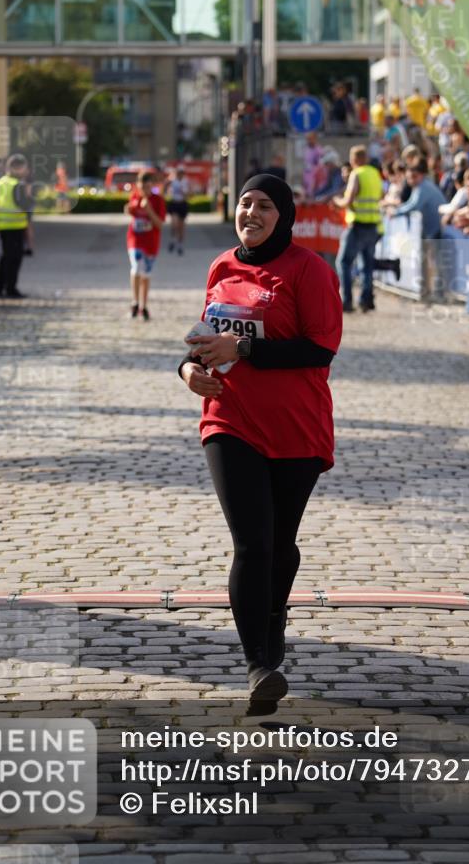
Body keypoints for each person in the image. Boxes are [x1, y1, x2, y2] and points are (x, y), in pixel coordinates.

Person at [178, 173, 343, 712]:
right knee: (252, 542)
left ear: (285, 216)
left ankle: (273, 620)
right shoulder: (221, 266)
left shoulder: (309, 270)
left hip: (296, 427)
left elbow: (320, 349)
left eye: (264, 205)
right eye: (244, 202)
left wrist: (243, 348)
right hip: (230, 419)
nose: (251, 212)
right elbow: (207, 339)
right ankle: (259, 666)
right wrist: (186, 368)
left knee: (279, 545)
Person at [334, 145, 384, 313]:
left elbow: (348, 200)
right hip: (373, 226)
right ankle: (366, 300)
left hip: (358, 225)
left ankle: (347, 301)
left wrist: (336, 202)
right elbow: (380, 197)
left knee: (343, 262)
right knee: (367, 265)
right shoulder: (375, 174)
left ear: (354, 159)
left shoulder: (357, 174)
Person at [390, 158, 444, 300]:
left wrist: (395, 212)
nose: (410, 180)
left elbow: (414, 205)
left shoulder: (423, 187)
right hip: (431, 228)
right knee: (429, 260)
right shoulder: (420, 186)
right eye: (408, 177)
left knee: (435, 261)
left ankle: (439, 292)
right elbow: (411, 204)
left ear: (421, 175)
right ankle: (428, 291)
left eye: (414, 177)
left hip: (436, 228)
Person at [124, 170, 166, 320]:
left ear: (152, 186)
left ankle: (143, 306)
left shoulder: (158, 200)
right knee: (136, 268)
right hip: (135, 240)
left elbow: (160, 225)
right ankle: (135, 302)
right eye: (141, 188)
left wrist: (149, 210)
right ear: (138, 186)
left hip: (151, 243)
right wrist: (128, 209)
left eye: (147, 187)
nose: (144, 191)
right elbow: (129, 211)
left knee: (146, 274)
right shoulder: (135, 196)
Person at [0, 153, 32, 299]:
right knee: (14, 259)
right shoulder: (18, 184)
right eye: (24, 168)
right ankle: (10, 288)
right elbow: (25, 205)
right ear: (17, 168)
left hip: (2, 225)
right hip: (15, 225)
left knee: (5, 258)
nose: (26, 171)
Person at [165, 166, 189, 255]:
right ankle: (173, 240)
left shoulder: (185, 182)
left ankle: (180, 245)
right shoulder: (172, 181)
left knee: (181, 227)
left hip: (182, 204)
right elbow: (165, 188)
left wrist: (185, 192)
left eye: (181, 173)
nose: (180, 174)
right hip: (174, 204)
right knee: (174, 224)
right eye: (179, 172)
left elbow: (188, 194)